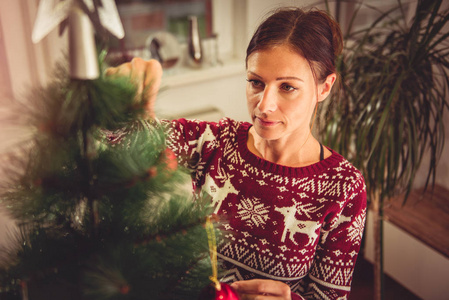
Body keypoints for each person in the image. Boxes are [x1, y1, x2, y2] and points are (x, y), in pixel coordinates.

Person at [107, 7, 367, 300]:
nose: (264, 105)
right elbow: (114, 142)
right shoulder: (213, 143)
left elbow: (331, 297)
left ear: (324, 87)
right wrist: (126, 100)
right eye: (256, 82)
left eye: (287, 87)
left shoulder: (343, 187)